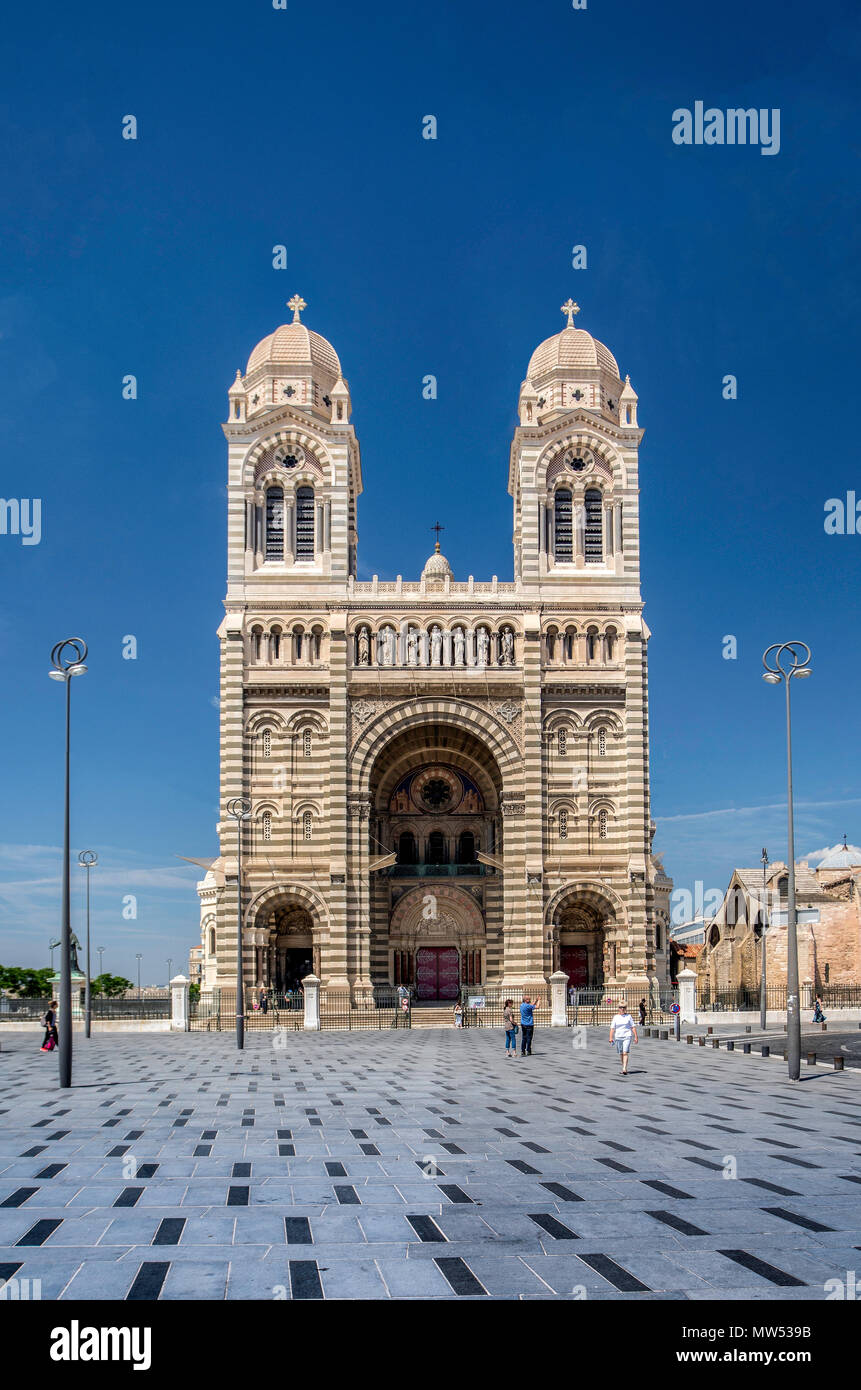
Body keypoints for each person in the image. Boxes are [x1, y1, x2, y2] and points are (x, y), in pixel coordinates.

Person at [609, 1002, 638, 1075]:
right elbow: (612, 1028)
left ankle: (624, 1068)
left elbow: (633, 1027)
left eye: (624, 1007)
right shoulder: (616, 1017)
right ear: (618, 1008)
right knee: (621, 1053)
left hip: (627, 1036)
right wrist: (610, 1037)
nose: (622, 1009)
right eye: (621, 1007)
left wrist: (636, 1037)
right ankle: (623, 1066)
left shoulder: (629, 1016)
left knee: (625, 1052)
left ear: (626, 1008)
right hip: (618, 1036)